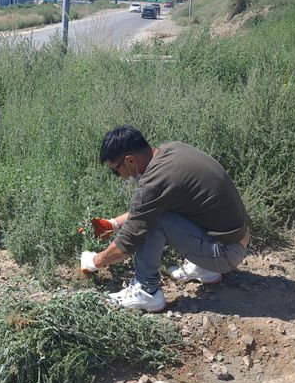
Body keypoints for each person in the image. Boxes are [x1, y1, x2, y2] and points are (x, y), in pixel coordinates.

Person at [80, 126, 251, 312]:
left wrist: (94, 261)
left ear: (130, 160)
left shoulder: (154, 183)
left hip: (226, 254)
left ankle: (146, 291)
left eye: (116, 170)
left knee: (156, 219)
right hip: (237, 240)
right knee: (158, 213)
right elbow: (151, 206)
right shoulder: (173, 150)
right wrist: (112, 224)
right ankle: (206, 271)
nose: (119, 177)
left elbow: (128, 242)